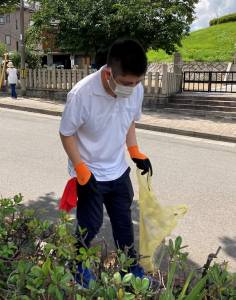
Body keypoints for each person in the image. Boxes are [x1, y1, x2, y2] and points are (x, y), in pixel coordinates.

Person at [59, 38, 153, 287]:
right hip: (89, 172)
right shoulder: (82, 94)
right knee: (89, 225)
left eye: (137, 82)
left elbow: (130, 119)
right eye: (126, 83)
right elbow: (66, 133)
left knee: (124, 222)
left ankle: (129, 269)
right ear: (109, 72)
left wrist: (134, 151)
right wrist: (80, 169)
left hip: (118, 170)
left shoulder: (135, 88)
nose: (131, 88)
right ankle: (77, 267)